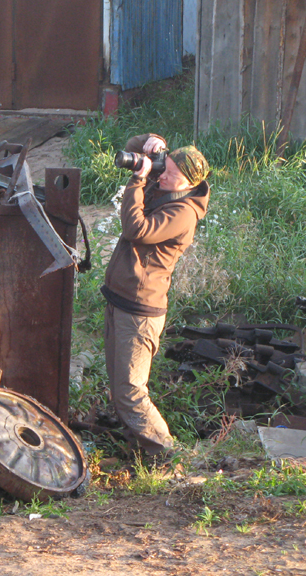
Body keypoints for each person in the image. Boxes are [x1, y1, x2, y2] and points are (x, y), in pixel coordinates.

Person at [101, 134, 210, 461]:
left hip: (140, 311)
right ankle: (137, 449)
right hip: (120, 299)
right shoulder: (165, 187)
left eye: (170, 173)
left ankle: (165, 454)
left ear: (189, 182)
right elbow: (133, 147)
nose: (162, 175)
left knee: (131, 392)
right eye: (164, 167)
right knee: (119, 387)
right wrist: (147, 142)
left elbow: (137, 229)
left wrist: (138, 178)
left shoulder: (183, 212)